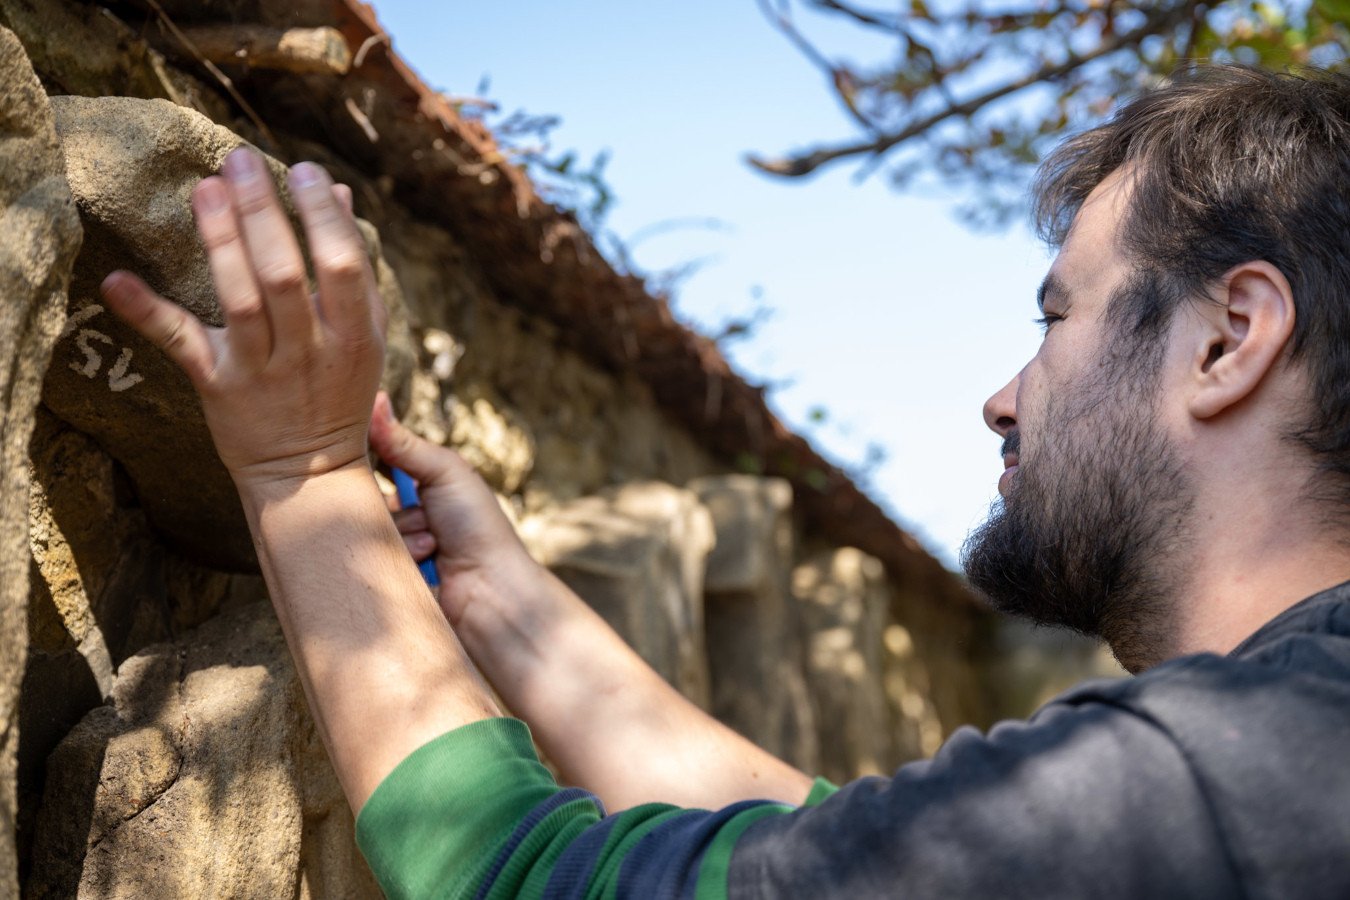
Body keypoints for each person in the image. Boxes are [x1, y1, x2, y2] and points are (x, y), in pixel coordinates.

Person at [101, 64, 1350, 899]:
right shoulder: (1272, 767)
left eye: (1057, 317)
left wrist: (302, 469)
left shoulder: (1241, 773)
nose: (1005, 396)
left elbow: (536, 878)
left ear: (1228, 339)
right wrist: (511, 613)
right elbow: (843, 847)